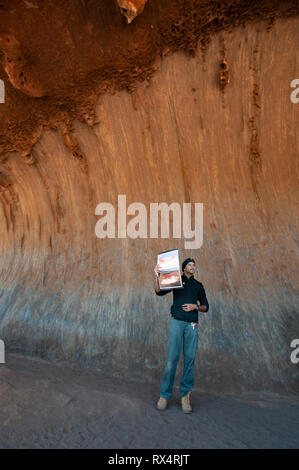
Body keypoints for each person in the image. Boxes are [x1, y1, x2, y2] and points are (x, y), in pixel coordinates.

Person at [154, 258, 209, 413]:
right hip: (177, 323)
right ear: (184, 267)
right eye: (190, 265)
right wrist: (157, 275)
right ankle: (164, 396)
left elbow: (206, 306)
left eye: (194, 265)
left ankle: (185, 396)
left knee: (190, 359)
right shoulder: (176, 280)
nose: (193, 267)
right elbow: (159, 292)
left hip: (192, 325)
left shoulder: (198, 285)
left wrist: (196, 306)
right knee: (172, 359)